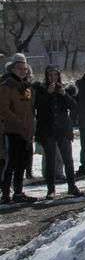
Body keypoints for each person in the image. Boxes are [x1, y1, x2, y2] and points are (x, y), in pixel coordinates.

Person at [33, 66, 83, 199]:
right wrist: (48, 94)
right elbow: (38, 107)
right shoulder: (40, 89)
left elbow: (73, 106)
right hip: (48, 130)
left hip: (63, 130)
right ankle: (51, 189)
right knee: (50, 159)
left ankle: (72, 186)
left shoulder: (64, 89)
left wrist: (64, 94)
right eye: (50, 75)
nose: (53, 78)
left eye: (55, 75)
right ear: (46, 76)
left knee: (68, 159)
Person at [0, 54, 37, 203]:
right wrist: (19, 122)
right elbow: (3, 109)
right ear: (12, 68)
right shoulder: (6, 86)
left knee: (22, 163)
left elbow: (29, 107)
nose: (23, 71)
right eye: (19, 68)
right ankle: (5, 194)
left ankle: (18, 192)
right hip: (12, 130)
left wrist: (29, 126)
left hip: (26, 132)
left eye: (25, 68)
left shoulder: (26, 86)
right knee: (11, 163)